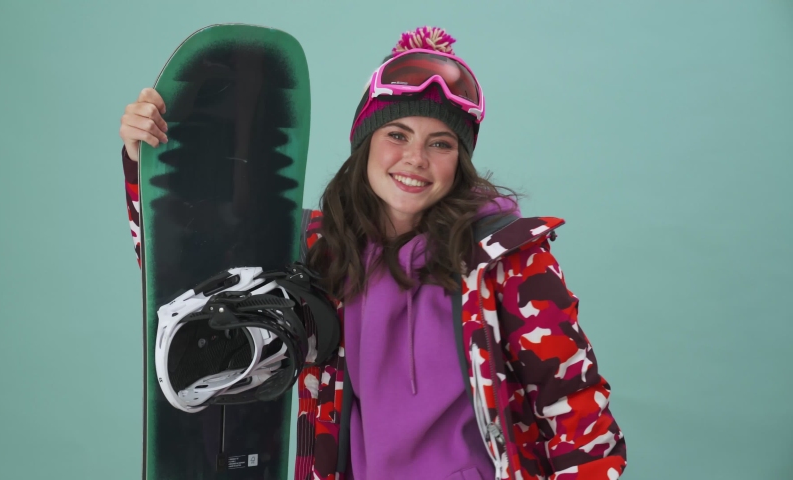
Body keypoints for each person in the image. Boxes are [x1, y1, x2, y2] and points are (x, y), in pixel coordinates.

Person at [118, 26, 627, 480]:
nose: (415, 159)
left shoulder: (505, 260)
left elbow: (574, 405)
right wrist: (145, 161)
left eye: (441, 143)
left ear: (460, 160)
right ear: (365, 143)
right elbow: (194, 281)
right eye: (397, 135)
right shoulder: (322, 252)